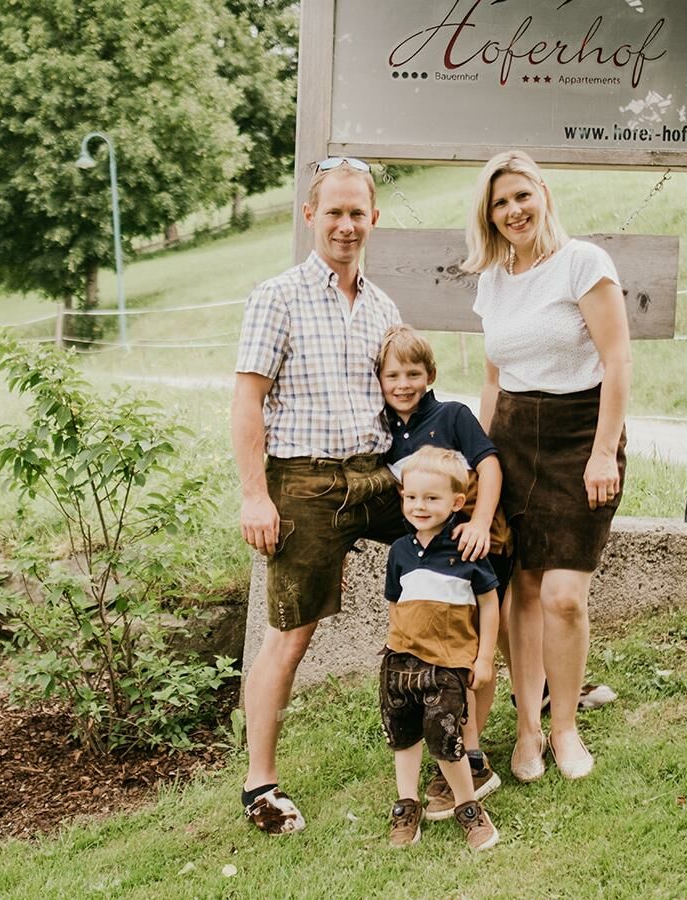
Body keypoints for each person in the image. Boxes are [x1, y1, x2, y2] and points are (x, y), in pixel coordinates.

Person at [232, 156, 406, 834]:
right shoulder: (277, 296)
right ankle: (260, 786)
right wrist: (256, 496)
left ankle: (514, 709)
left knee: (470, 543)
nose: (345, 224)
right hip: (303, 481)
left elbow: (401, 400)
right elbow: (247, 400)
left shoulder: (384, 306)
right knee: (289, 634)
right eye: (333, 211)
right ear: (310, 216)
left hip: (376, 475)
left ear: (373, 219)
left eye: (356, 212)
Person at [463, 150, 631, 782]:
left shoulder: (584, 263)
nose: (513, 212)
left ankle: (566, 728)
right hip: (511, 441)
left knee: (563, 594)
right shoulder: (492, 279)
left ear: (543, 193)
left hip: (580, 433)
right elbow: (493, 376)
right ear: (490, 215)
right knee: (519, 592)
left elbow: (617, 362)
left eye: (521, 197)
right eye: (500, 203)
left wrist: (601, 451)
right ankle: (528, 729)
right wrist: (481, 459)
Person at [377, 324, 511, 818]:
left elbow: (489, 464)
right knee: (449, 657)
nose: (404, 383)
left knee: (479, 648)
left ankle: (472, 755)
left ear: (430, 375)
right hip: (428, 562)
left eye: (413, 372)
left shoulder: (452, 415)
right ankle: (457, 748)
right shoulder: (386, 432)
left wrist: (476, 521)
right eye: (393, 374)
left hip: (475, 544)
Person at [381, 446, 500, 850]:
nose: (420, 505)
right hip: (400, 662)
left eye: (432, 498)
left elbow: (488, 602)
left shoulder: (466, 547)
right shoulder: (399, 551)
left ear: (457, 502)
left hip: (448, 663)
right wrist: (394, 646)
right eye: (412, 497)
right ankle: (407, 805)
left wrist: (484, 658)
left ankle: (469, 807)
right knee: (404, 735)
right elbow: (395, 603)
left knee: (446, 736)